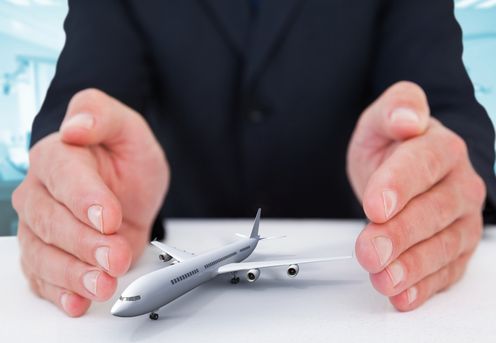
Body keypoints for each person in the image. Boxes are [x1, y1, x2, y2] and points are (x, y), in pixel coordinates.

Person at [11, 0, 496, 317]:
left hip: (353, 258)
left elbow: (447, 108)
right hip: (173, 222)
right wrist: (75, 172)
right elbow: (80, 98)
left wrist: (434, 167)